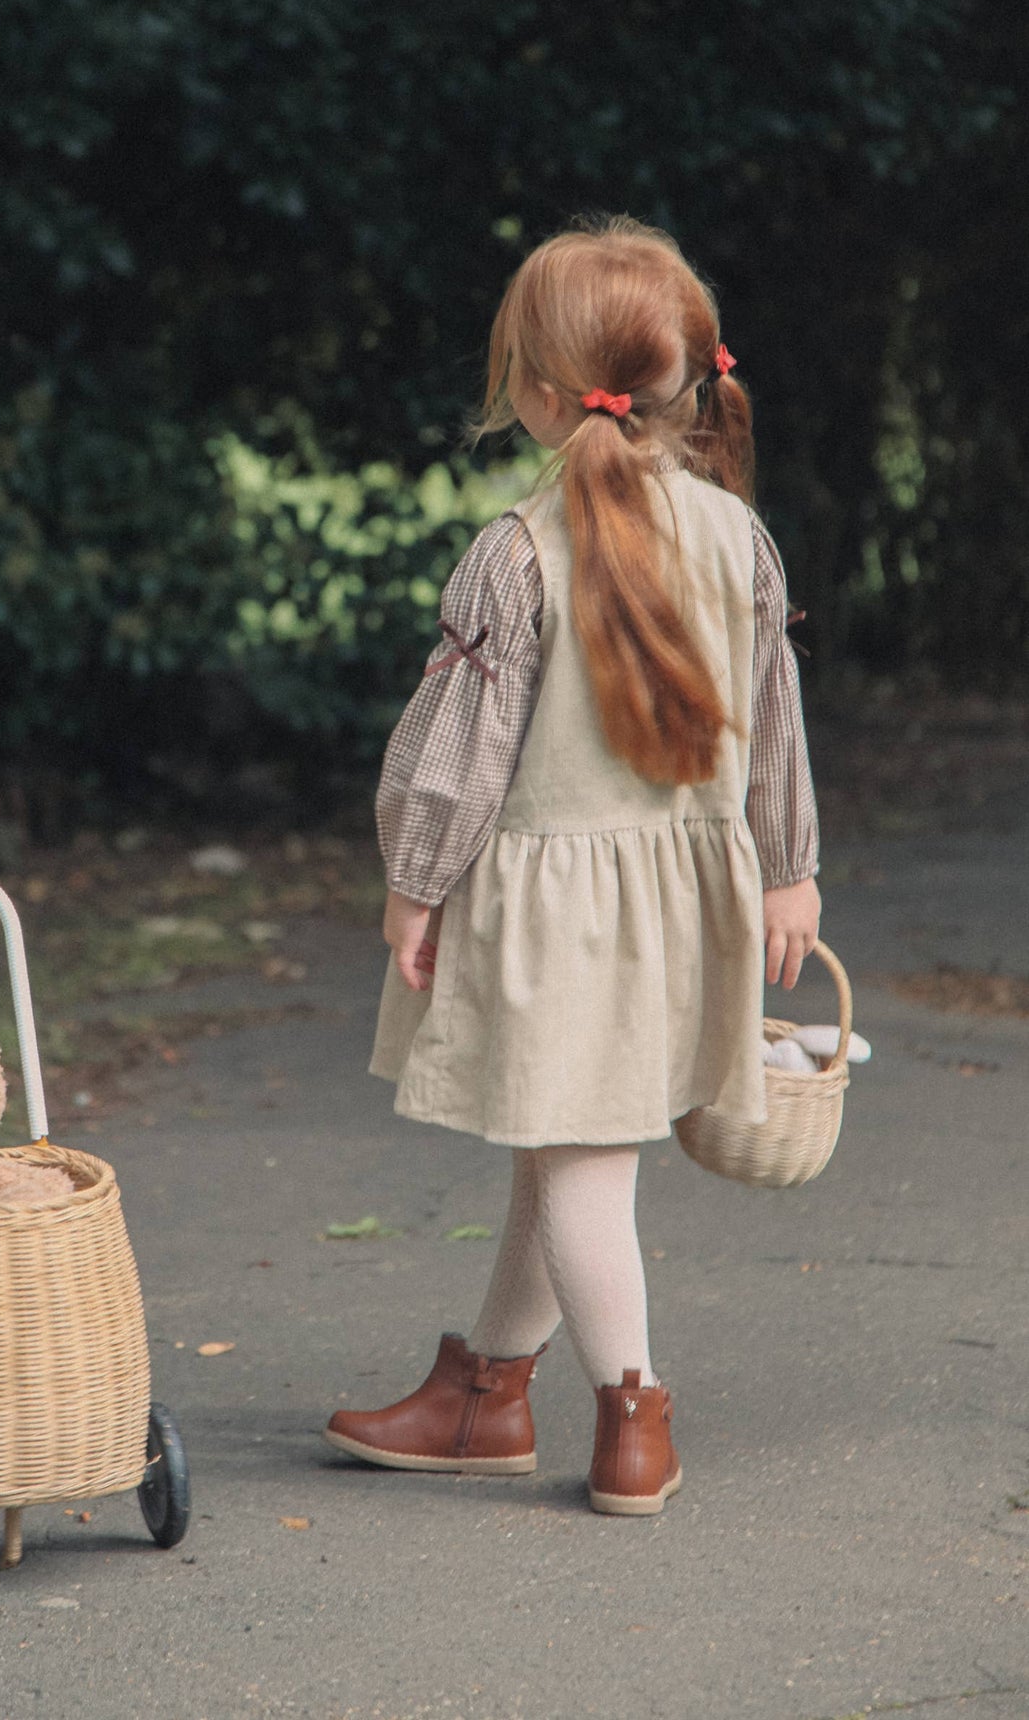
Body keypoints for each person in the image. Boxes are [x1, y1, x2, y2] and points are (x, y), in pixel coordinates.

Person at [324, 217, 820, 1514]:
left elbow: (456, 756)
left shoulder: (514, 553)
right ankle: (484, 1397)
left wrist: (415, 879)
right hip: (681, 899)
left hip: (557, 915)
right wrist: (787, 870)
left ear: (539, 393)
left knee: (581, 1163)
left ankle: (631, 1416)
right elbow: (774, 725)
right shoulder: (737, 541)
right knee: (561, 1150)